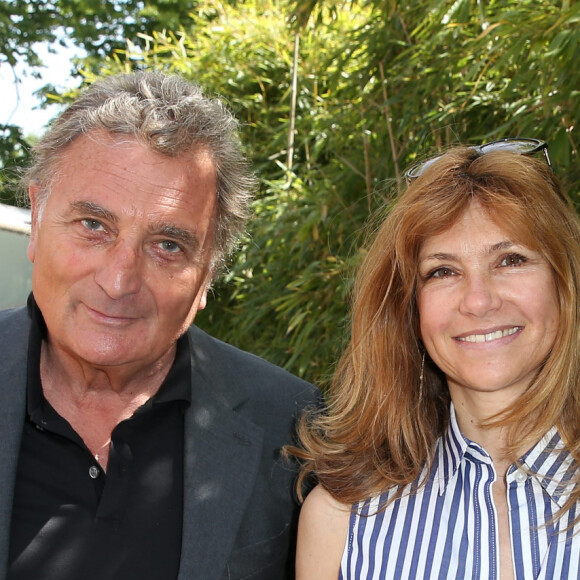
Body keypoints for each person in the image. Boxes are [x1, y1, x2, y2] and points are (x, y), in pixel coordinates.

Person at [0, 71, 318, 580]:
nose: (119, 279)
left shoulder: (296, 429)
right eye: (93, 226)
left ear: (209, 271)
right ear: (36, 218)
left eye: (167, 245)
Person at [293, 138, 580, 579]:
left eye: (510, 260)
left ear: (566, 284)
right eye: (442, 271)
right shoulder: (341, 520)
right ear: (409, 308)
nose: (479, 301)